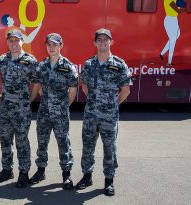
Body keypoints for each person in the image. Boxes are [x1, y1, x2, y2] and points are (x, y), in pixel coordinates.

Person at [76, 28, 131, 196]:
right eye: (99, 40)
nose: (102, 42)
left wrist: (112, 104)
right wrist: (95, 101)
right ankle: (87, 176)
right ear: (95, 43)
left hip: (109, 116)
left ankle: (109, 181)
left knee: (109, 148)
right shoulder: (89, 64)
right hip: (91, 114)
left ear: (111, 42)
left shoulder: (119, 64)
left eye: (105, 39)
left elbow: (125, 90)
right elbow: (84, 85)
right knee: (88, 146)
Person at [29, 33, 77, 190]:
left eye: (55, 44)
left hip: (61, 114)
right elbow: (38, 87)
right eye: (49, 44)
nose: (52, 47)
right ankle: (40, 171)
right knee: (42, 143)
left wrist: (63, 106)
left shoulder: (68, 67)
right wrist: (43, 101)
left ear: (61, 45)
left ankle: (66, 174)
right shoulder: (41, 66)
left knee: (64, 143)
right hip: (43, 112)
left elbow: (73, 90)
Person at [0, 29, 40, 188]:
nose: (14, 43)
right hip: (5, 108)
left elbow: (36, 83)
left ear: (22, 41)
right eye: (11, 40)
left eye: (17, 40)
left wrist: (30, 99)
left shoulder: (30, 61)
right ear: (7, 42)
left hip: (21, 109)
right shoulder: (2, 60)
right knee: (5, 139)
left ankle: (24, 172)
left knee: (21, 141)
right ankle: (7, 169)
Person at [160, 0, 186, 66]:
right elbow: (178, 10)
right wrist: (184, 6)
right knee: (173, 40)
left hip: (174, 19)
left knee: (177, 35)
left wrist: (182, 5)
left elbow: (180, 8)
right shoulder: (169, 0)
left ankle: (162, 53)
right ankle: (169, 62)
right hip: (170, 20)